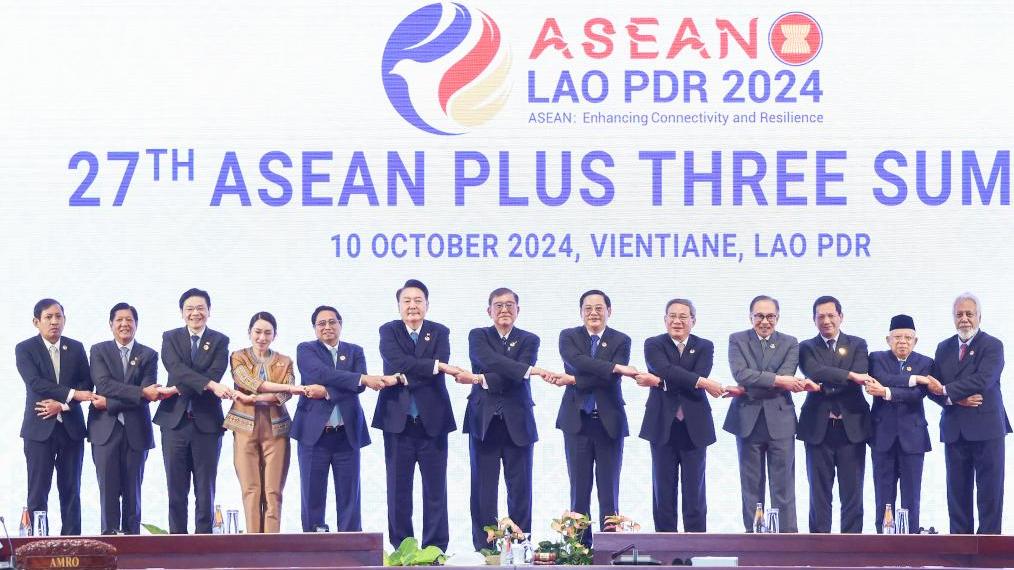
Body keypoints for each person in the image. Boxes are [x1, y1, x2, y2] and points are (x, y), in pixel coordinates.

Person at [374, 279, 465, 551]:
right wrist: (436, 367)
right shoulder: (388, 330)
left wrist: (404, 376)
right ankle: (403, 547)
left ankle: (435, 547)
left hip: (432, 421)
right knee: (398, 490)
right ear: (399, 306)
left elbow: (412, 366)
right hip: (397, 422)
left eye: (418, 301)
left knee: (435, 490)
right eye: (407, 301)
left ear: (427, 304)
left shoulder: (440, 331)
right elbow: (395, 360)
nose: (412, 306)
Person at [462, 288, 555, 551]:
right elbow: (486, 359)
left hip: (518, 421)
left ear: (518, 310)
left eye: (510, 305)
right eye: (498, 305)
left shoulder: (529, 339)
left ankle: (521, 545)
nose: (504, 310)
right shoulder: (478, 335)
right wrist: (528, 371)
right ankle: (485, 548)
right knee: (483, 490)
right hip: (484, 421)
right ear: (489, 310)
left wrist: (482, 378)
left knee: (521, 488)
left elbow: (511, 375)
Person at [292, 305, 396, 532]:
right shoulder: (306, 349)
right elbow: (318, 375)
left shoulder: (355, 351)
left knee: (350, 496)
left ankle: (350, 548)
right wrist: (360, 379)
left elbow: (358, 389)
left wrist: (328, 391)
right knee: (312, 495)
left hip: (346, 435)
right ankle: (313, 546)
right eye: (322, 323)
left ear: (341, 324)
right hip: (313, 436)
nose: (327, 327)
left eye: (332, 322)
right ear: (314, 328)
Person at [548, 289, 635, 546]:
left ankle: (609, 547)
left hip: (609, 423)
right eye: (588, 308)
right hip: (577, 422)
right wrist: (615, 366)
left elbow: (608, 379)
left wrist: (575, 379)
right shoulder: (569, 336)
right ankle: (579, 549)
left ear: (610, 311)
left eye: (599, 308)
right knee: (579, 490)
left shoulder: (621, 339)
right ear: (581, 312)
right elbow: (577, 361)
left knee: (609, 491)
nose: (593, 313)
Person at [635, 298, 724, 532]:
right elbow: (665, 369)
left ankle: (696, 550)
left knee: (695, 492)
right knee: (663, 491)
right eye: (672, 316)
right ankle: (666, 551)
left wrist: (660, 382)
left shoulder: (705, 345)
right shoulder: (653, 343)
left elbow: (690, 373)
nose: (677, 321)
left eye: (683, 317)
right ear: (665, 320)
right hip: (662, 424)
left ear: (693, 321)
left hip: (695, 426)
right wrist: (699, 382)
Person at [927, 293, 1011, 534]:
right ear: (953, 318)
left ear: (979, 317)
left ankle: (988, 551)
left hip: (987, 429)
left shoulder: (993, 345)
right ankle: (960, 550)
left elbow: (984, 379)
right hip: (955, 428)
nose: (964, 319)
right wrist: (955, 398)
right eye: (959, 314)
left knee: (990, 493)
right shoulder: (944, 347)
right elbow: (932, 388)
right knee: (957, 493)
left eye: (969, 314)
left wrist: (946, 390)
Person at [153, 288, 233, 534]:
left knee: (205, 488)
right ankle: (176, 543)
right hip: (175, 423)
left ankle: (204, 543)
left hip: (206, 424)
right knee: (176, 489)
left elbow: (214, 372)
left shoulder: (220, 340)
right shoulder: (170, 337)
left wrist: (179, 387)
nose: (195, 313)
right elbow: (175, 368)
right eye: (189, 309)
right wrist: (208, 385)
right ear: (181, 312)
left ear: (209, 311)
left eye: (200, 308)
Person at [724, 295, 806, 533]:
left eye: (770, 316)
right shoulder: (737, 339)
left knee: (783, 487)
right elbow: (741, 374)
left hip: (780, 420)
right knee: (751, 486)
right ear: (750, 317)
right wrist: (778, 380)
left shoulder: (791, 342)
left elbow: (788, 375)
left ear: (777, 318)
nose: (764, 321)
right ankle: (753, 541)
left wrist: (767, 379)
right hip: (747, 419)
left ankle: (788, 542)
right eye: (759, 316)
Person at [16, 299, 93, 535]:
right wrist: (71, 394)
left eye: (59, 316)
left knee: (71, 489)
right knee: (38, 491)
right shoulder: (25, 348)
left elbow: (86, 383)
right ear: (36, 322)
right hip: (39, 429)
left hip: (71, 428)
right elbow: (35, 383)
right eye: (49, 317)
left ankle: (72, 543)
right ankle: (37, 544)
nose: (54, 322)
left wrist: (63, 404)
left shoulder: (76, 347)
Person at [797, 295, 872, 533]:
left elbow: (861, 372)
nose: (826, 320)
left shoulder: (858, 344)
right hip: (818, 427)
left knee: (852, 492)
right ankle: (818, 551)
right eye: (821, 316)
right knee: (819, 493)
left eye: (831, 315)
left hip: (852, 427)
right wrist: (848, 376)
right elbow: (813, 369)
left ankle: (851, 551)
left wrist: (823, 385)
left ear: (841, 317)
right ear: (813, 319)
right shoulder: (806, 347)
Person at [88, 302, 160, 534]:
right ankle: (108, 544)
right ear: (111, 325)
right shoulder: (99, 350)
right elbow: (104, 384)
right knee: (107, 493)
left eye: (129, 320)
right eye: (119, 320)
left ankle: (133, 547)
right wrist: (139, 392)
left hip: (136, 432)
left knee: (133, 493)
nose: (124, 324)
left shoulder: (148, 354)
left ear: (136, 325)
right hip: (104, 431)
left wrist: (110, 402)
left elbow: (149, 395)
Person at [224, 312, 299, 533]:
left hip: (277, 428)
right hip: (245, 426)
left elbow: (285, 395)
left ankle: (272, 548)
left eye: (268, 332)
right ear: (249, 333)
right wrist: (282, 388)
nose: (262, 337)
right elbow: (248, 382)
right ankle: (252, 546)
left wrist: (255, 398)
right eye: (257, 332)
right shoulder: (238, 356)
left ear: (275, 335)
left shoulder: (285, 360)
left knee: (274, 491)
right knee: (251, 489)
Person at [864, 314, 932, 533]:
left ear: (915, 341)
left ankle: (912, 540)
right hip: (882, 436)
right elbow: (881, 377)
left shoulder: (925, 362)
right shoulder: (876, 358)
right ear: (888, 339)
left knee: (912, 495)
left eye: (908, 338)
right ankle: (882, 542)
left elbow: (916, 395)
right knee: (883, 494)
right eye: (897, 337)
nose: (903, 342)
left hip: (913, 438)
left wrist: (885, 392)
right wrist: (913, 379)